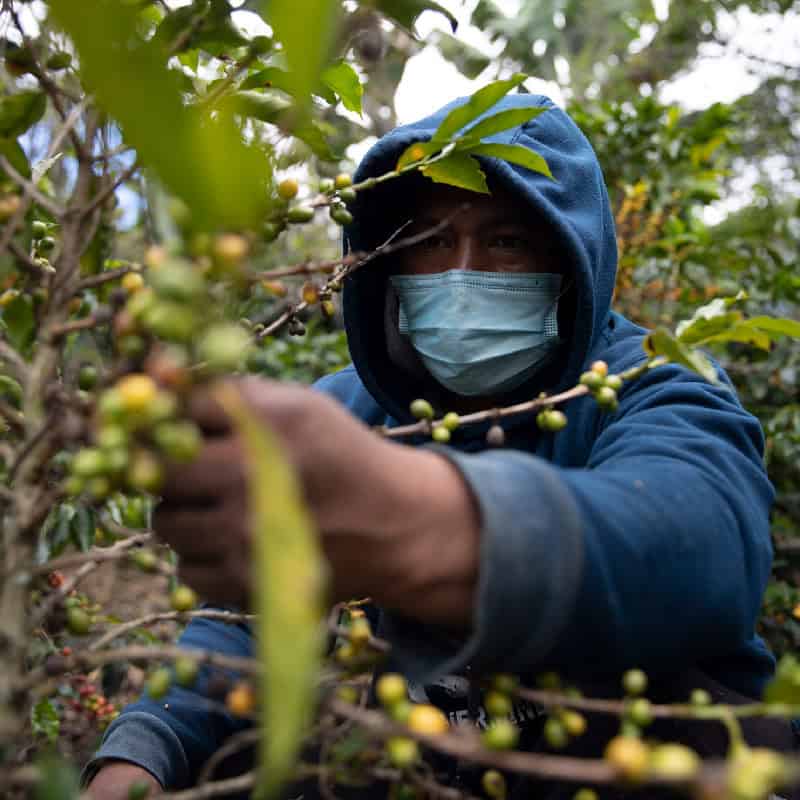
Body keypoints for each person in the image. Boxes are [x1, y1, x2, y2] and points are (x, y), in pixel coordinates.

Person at [85, 92, 792, 800]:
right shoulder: (350, 408)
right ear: (387, 267)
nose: (461, 274)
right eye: (430, 242)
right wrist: (145, 751)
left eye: (507, 242)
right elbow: (247, 626)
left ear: (570, 260)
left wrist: (415, 518)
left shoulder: (646, 381)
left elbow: (704, 539)